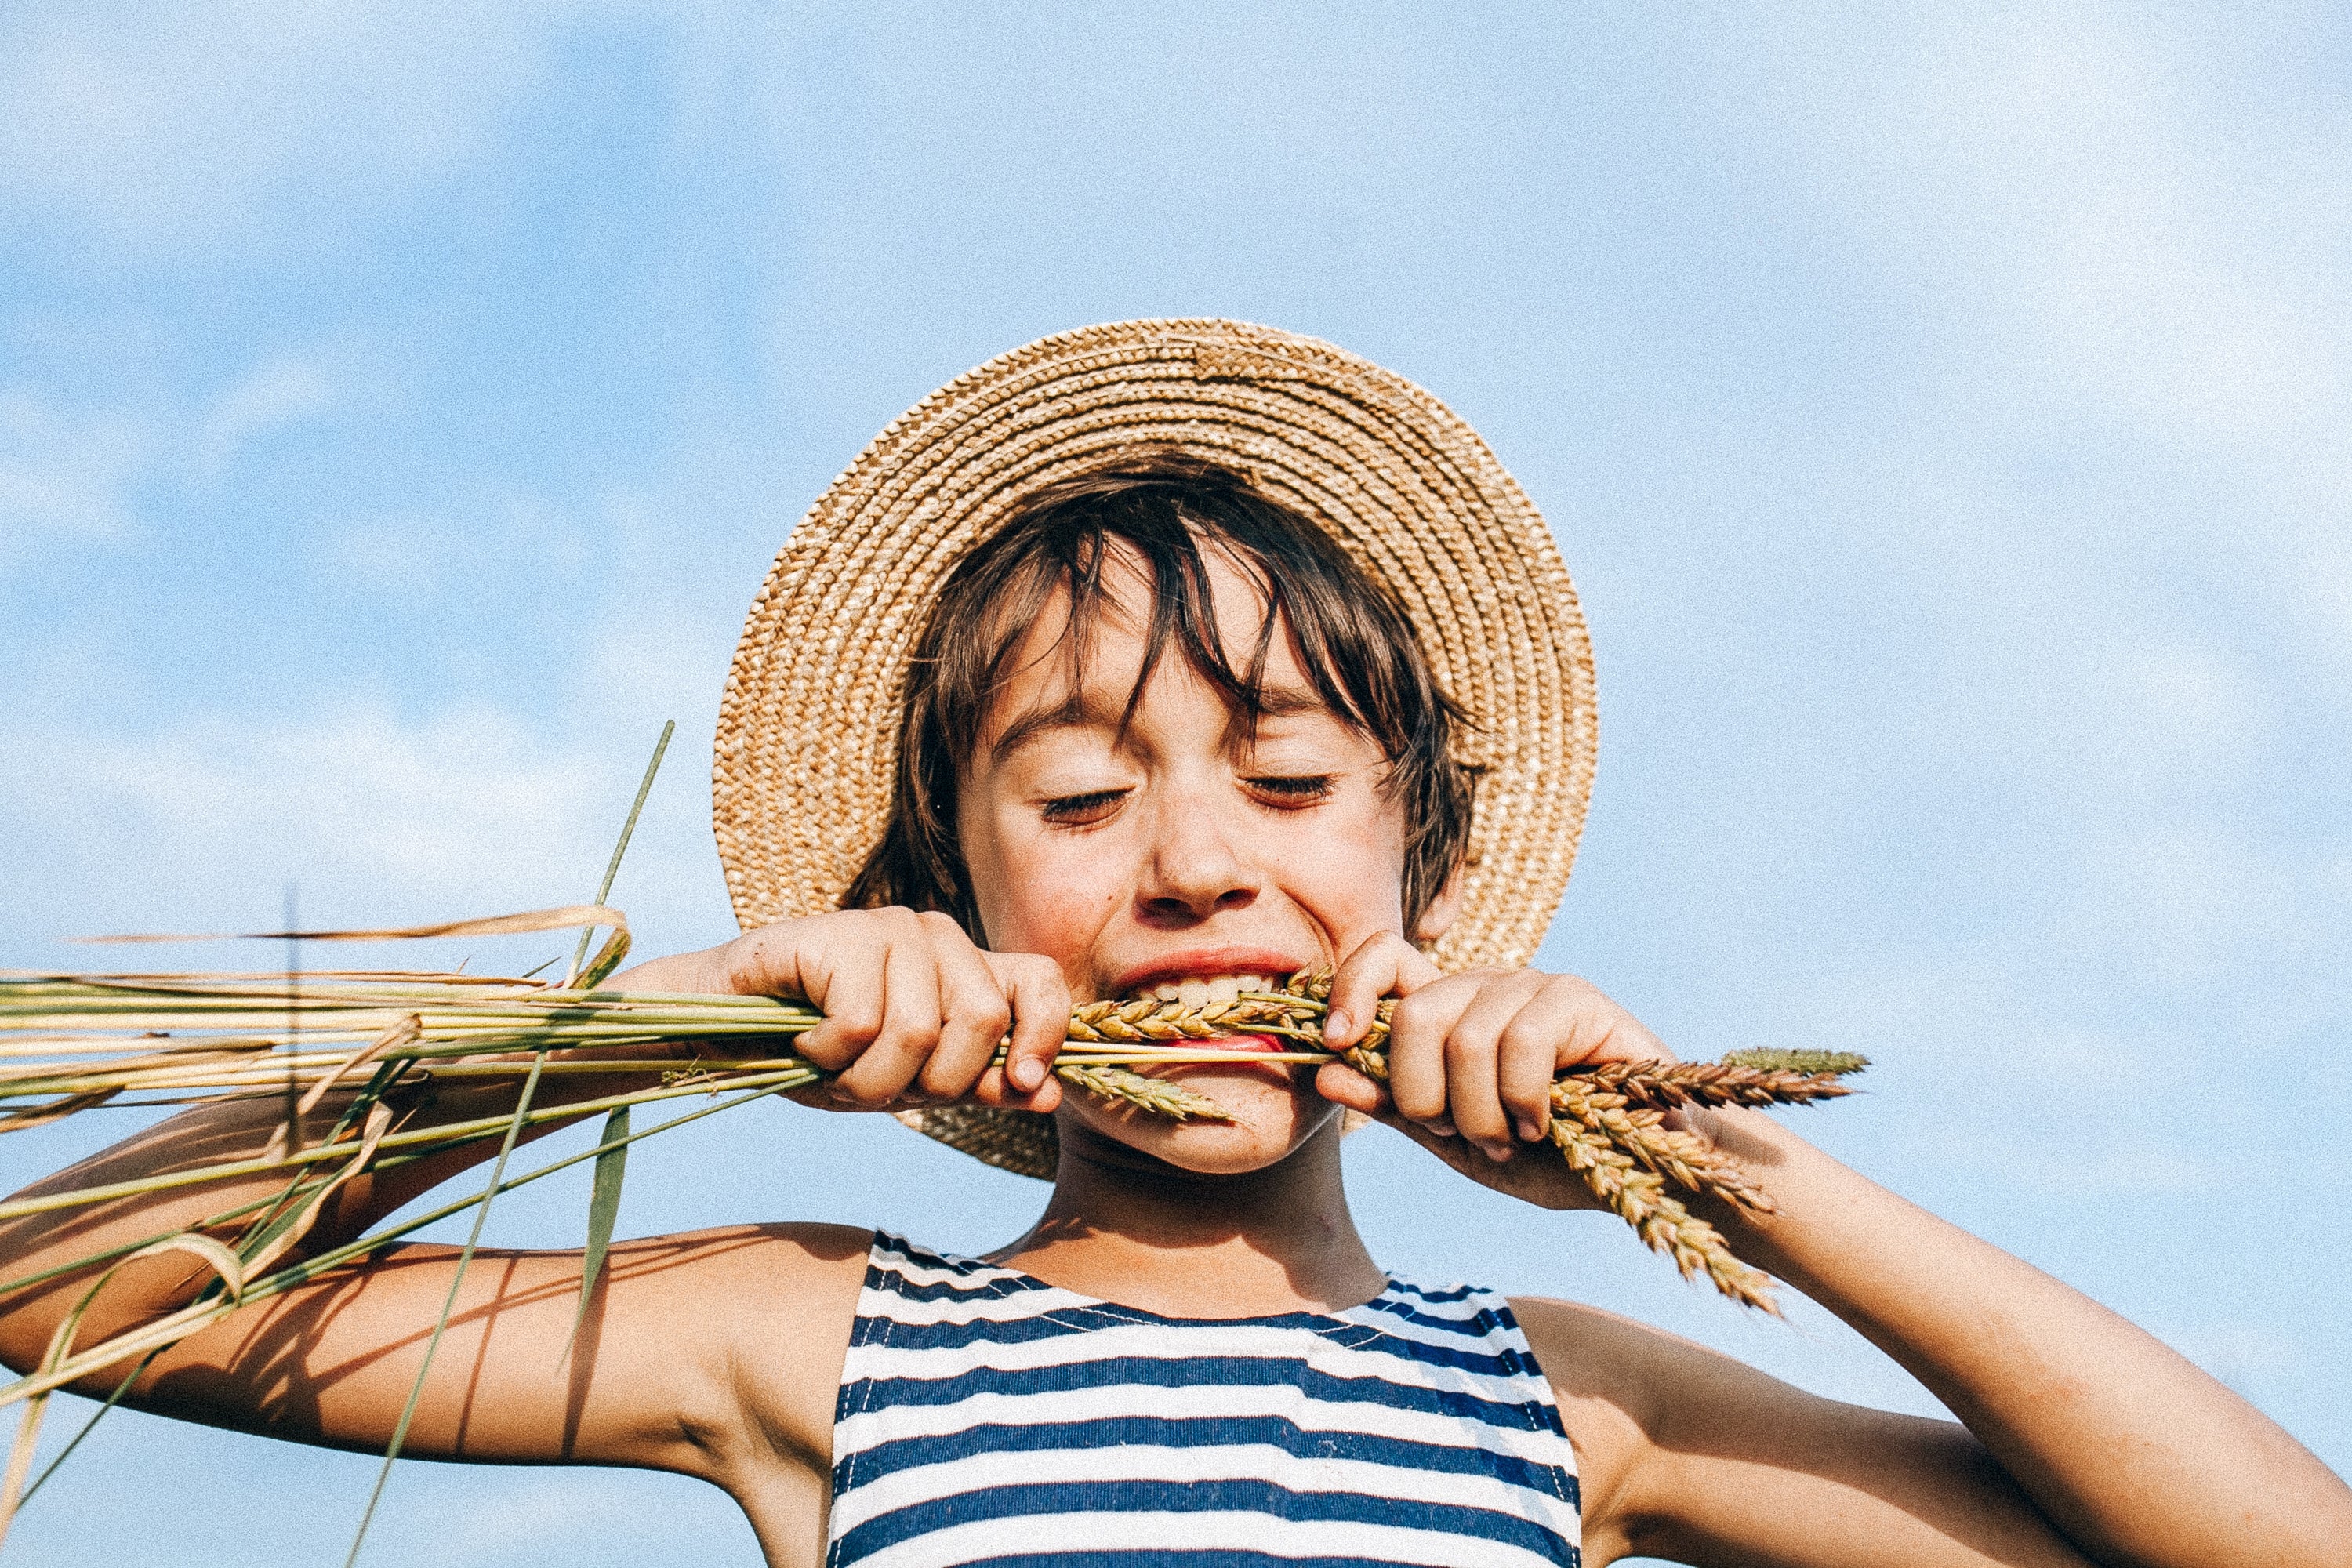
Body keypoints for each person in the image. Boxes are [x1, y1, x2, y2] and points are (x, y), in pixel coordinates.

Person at [2, 321, 2345, 1568]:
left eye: (1292, 783)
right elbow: (63, 1292)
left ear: (1423, 873)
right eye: (1089, 796)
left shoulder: (1570, 1398)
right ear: (952, 898)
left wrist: (1718, 1162)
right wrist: (666, 1021)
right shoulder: (823, 1344)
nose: (1198, 869)